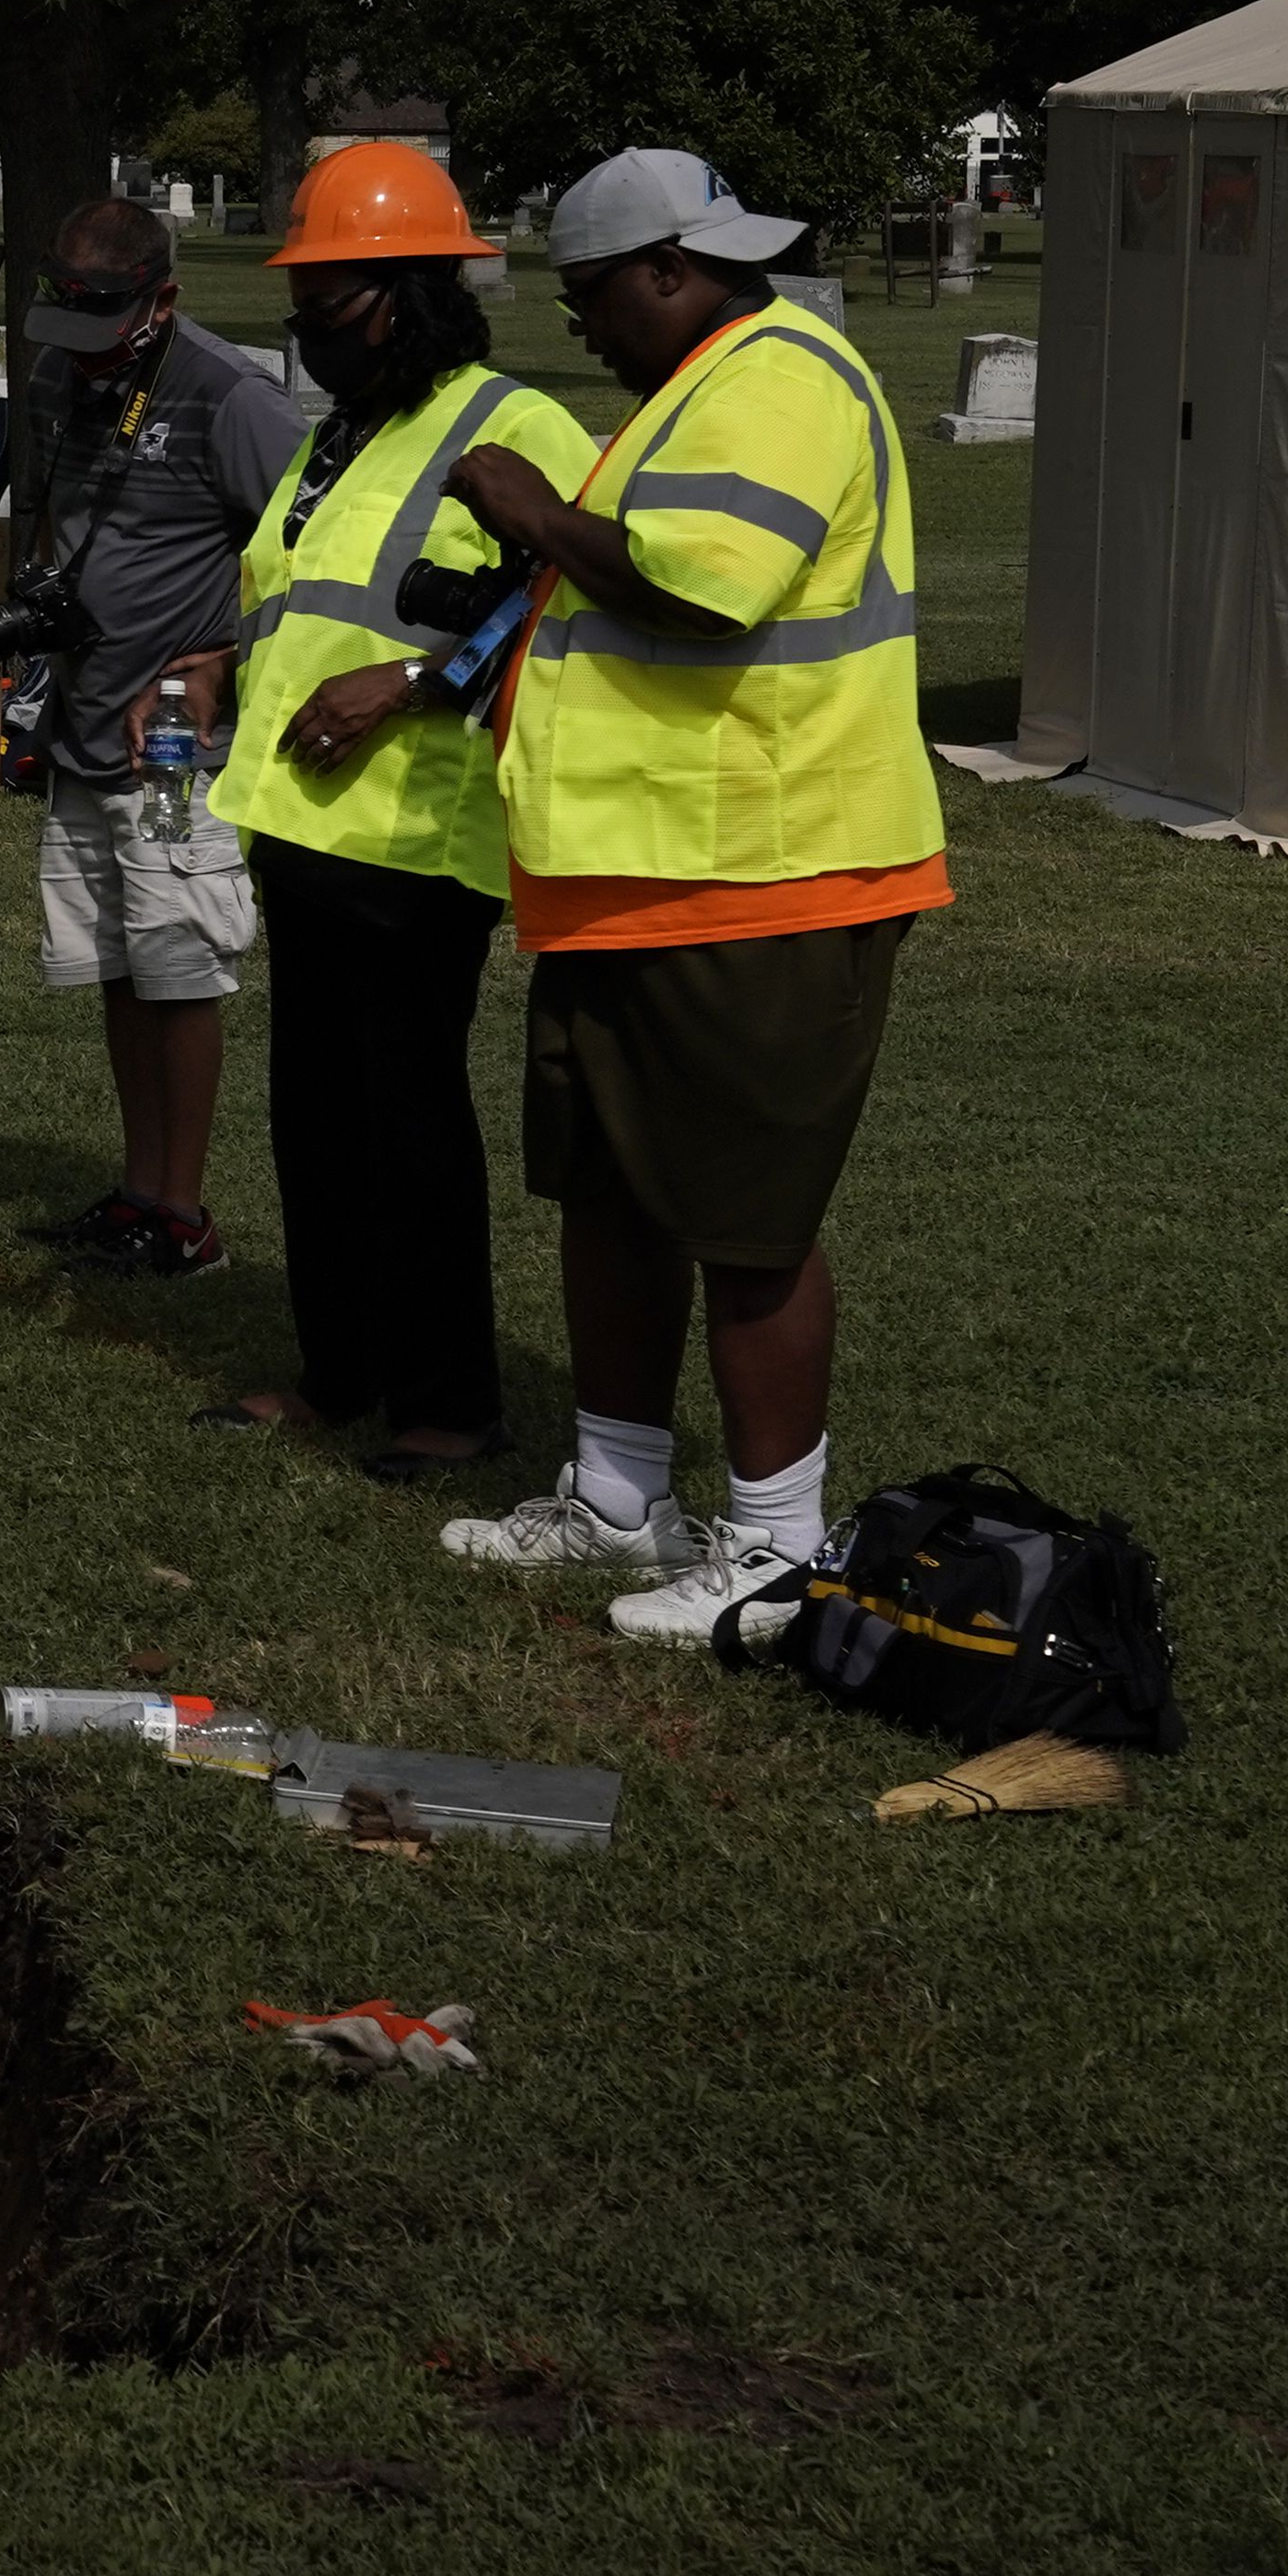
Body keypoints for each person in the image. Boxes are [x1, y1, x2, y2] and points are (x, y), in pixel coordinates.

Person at [435, 147, 946, 1647]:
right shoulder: (693, 387)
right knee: (613, 1196)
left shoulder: (783, 374)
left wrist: (533, 508)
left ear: (670, 270)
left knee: (745, 1220)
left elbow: (707, 583)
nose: (580, 326)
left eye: (590, 296)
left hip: (767, 878)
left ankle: (781, 1546)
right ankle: (616, 1495)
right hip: (641, 879)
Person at [188, 141, 595, 1474]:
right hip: (301, 822)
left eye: (336, 305)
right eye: (303, 306)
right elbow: (305, 599)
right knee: (317, 1117)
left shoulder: (515, 426)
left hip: (417, 838)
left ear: (417, 295)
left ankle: (447, 1403)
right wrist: (223, 662)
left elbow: (562, 609)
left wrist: (413, 681)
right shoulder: (344, 435)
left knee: (409, 1121)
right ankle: (340, 1368)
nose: (310, 331)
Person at [3, 193, 298, 1278]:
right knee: (120, 967)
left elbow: (310, 560)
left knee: (179, 968)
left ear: (162, 300)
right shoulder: (58, 372)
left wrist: (222, 662)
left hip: (176, 747)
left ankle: (186, 1217)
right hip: (84, 724)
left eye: (103, 332)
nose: (78, 362)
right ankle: (142, 1194)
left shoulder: (230, 397)